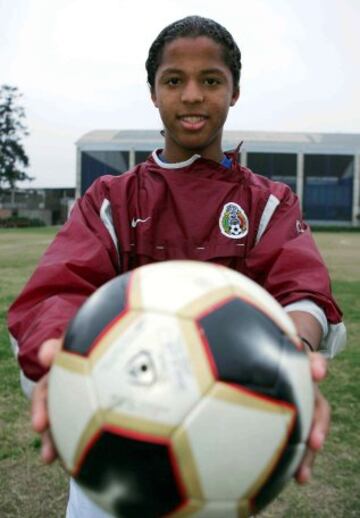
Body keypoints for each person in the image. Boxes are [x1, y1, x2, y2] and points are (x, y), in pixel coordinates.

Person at [8, 15, 346, 518]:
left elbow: (303, 294)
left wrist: (291, 359)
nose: (192, 96)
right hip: (113, 448)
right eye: (174, 81)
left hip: (226, 456)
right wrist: (61, 361)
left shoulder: (270, 202)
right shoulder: (111, 199)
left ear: (233, 92)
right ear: (153, 92)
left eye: (210, 81)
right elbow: (56, 292)